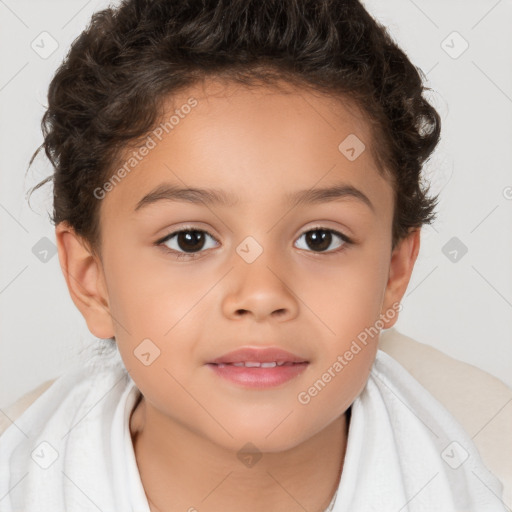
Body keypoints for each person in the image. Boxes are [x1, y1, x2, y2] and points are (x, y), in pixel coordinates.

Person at [0, 0, 507, 510]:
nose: (262, 295)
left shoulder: (490, 464)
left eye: (320, 238)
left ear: (395, 272)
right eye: (190, 239)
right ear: (92, 281)